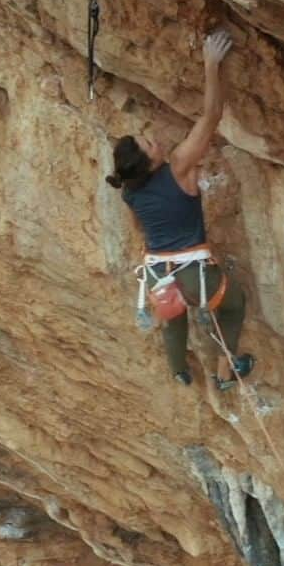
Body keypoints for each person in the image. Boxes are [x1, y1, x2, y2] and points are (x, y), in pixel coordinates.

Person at [106, 28, 254, 389]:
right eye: (148, 143)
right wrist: (210, 64)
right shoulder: (178, 167)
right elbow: (212, 115)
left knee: (172, 315)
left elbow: (141, 230)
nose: (153, 139)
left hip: (158, 270)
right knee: (232, 303)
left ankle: (180, 372)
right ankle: (226, 371)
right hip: (194, 272)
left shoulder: (131, 191)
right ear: (149, 161)